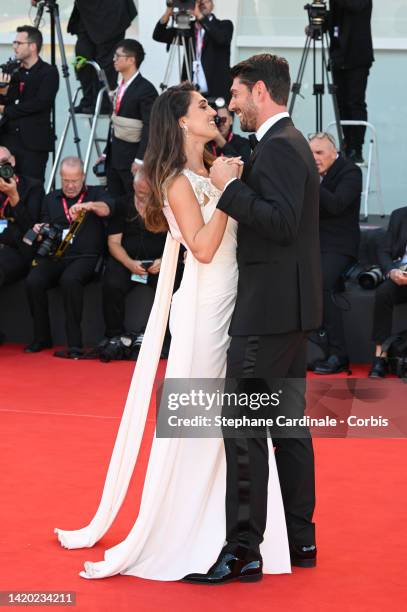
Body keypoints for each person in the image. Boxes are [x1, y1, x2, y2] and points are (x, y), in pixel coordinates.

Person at [54, 83, 291, 582]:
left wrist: (229, 184)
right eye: (203, 106)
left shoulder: (214, 169)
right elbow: (203, 249)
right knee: (202, 425)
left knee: (237, 427)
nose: (215, 111)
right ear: (182, 122)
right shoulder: (178, 180)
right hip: (205, 311)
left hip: (237, 304)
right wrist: (229, 192)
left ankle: (235, 536)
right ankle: (185, 533)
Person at [185, 53, 322, 584]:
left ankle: (245, 549)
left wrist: (228, 188)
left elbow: (282, 223)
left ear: (259, 90)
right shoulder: (282, 144)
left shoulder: (284, 148)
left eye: (236, 94)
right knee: (288, 427)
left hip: (267, 312)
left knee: (242, 429)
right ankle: (299, 539)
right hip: (288, 309)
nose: (230, 103)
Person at [24, 157, 114, 358]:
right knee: (33, 281)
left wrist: (88, 206)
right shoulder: (51, 198)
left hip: (86, 256)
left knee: (70, 280)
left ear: (83, 177)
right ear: (60, 178)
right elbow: (46, 223)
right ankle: (41, 337)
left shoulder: (97, 193)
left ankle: (75, 343)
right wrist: (40, 229)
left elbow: (108, 208)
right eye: (66, 181)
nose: (71, 186)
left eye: (75, 181)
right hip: (56, 256)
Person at [308, 132, 362, 375]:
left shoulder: (350, 172)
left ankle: (339, 355)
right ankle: (312, 349)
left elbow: (337, 204)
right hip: (313, 245)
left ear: (334, 152)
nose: (314, 158)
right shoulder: (316, 176)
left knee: (323, 286)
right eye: (310, 154)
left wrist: (311, 181)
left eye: (319, 153)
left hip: (340, 247)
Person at [101, 171, 168, 353]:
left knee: (173, 285)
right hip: (127, 261)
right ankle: (114, 335)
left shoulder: (166, 204)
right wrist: (129, 263)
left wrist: (164, 260)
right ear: (134, 187)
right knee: (112, 284)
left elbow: (177, 238)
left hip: (158, 261)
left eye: (147, 193)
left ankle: (166, 338)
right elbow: (113, 243)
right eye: (140, 193)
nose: (144, 197)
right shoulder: (123, 204)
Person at [31, 0, 138, 114]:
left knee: (105, 61)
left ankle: (102, 102)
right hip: (88, 13)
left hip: (111, 13)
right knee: (82, 56)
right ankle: (88, 98)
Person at [0, 25, 59, 182]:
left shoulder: (48, 72)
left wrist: (6, 109)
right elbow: (5, 102)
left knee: (31, 188)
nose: (14, 47)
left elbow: (40, 103)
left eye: (18, 43)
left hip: (34, 144)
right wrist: (3, 92)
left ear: (32, 46)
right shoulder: (13, 71)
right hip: (7, 142)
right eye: (14, 43)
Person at [103, 39, 158, 197]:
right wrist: (106, 152)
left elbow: (150, 126)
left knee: (132, 203)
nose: (114, 60)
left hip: (132, 158)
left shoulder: (146, 89)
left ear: (131, 60)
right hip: (115, 156)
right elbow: (114, 122)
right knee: (114, 201)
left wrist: (141, 159)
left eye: (118, 56)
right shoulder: (121, 85)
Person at [0, 146, 44, 344]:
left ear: (14, 161)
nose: (2, 168)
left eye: (4, 163)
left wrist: (14, 197)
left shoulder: (32, 187)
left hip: (19, 252)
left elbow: (31, 229)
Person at [153, 0, 233, 101]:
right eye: (199, 2)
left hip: (217, 93)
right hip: (192, 94)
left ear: (212, 4)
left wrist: (199, 16)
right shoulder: (188, 27)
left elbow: (221, 39)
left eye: (206, 1)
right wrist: (168, 11)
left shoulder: (225, 25)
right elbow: (158, 35)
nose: (202, 4)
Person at [329, 0, 374, 163]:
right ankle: (345, 144)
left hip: (357, 55)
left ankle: (357, 147)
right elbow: (334, 21)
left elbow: (354, 6)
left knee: (354, 102)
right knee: (340, 103)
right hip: (338, 56)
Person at [369, 206, 407, 378]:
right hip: (402, 274)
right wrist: (392, 271)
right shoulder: (399, 215)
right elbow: (384, 250)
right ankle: (380, 357)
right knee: (384, 293)